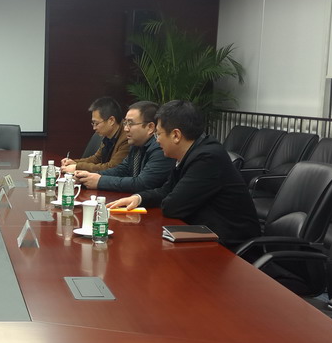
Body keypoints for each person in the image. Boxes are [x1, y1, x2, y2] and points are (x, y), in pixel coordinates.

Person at [107, 100, 260, 247]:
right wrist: (138, 198)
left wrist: (160, 198)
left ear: (176, 135)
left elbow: (172, 207)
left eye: (158, 134)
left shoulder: (207, 158)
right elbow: (166, 190)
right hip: (202, 235)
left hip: (228, 245)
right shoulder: (191, 152)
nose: (157, 141)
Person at [73, 101, 174, 192]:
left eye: (130, 123)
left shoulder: (160, 148)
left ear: (150, 127)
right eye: (125, 123)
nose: (126, 129)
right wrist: (91, 176)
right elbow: (122, 169)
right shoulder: (136, 144)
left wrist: (100, 181)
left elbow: (142, 183)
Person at [60, 97, 130, 174]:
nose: (94, 128)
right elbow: (97, 159)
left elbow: (111, 167)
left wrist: (77, 167)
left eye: (96, 123)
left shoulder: (127, 138)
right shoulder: (108, 135)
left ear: (111, 120)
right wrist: (74, 162)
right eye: (93, 123)